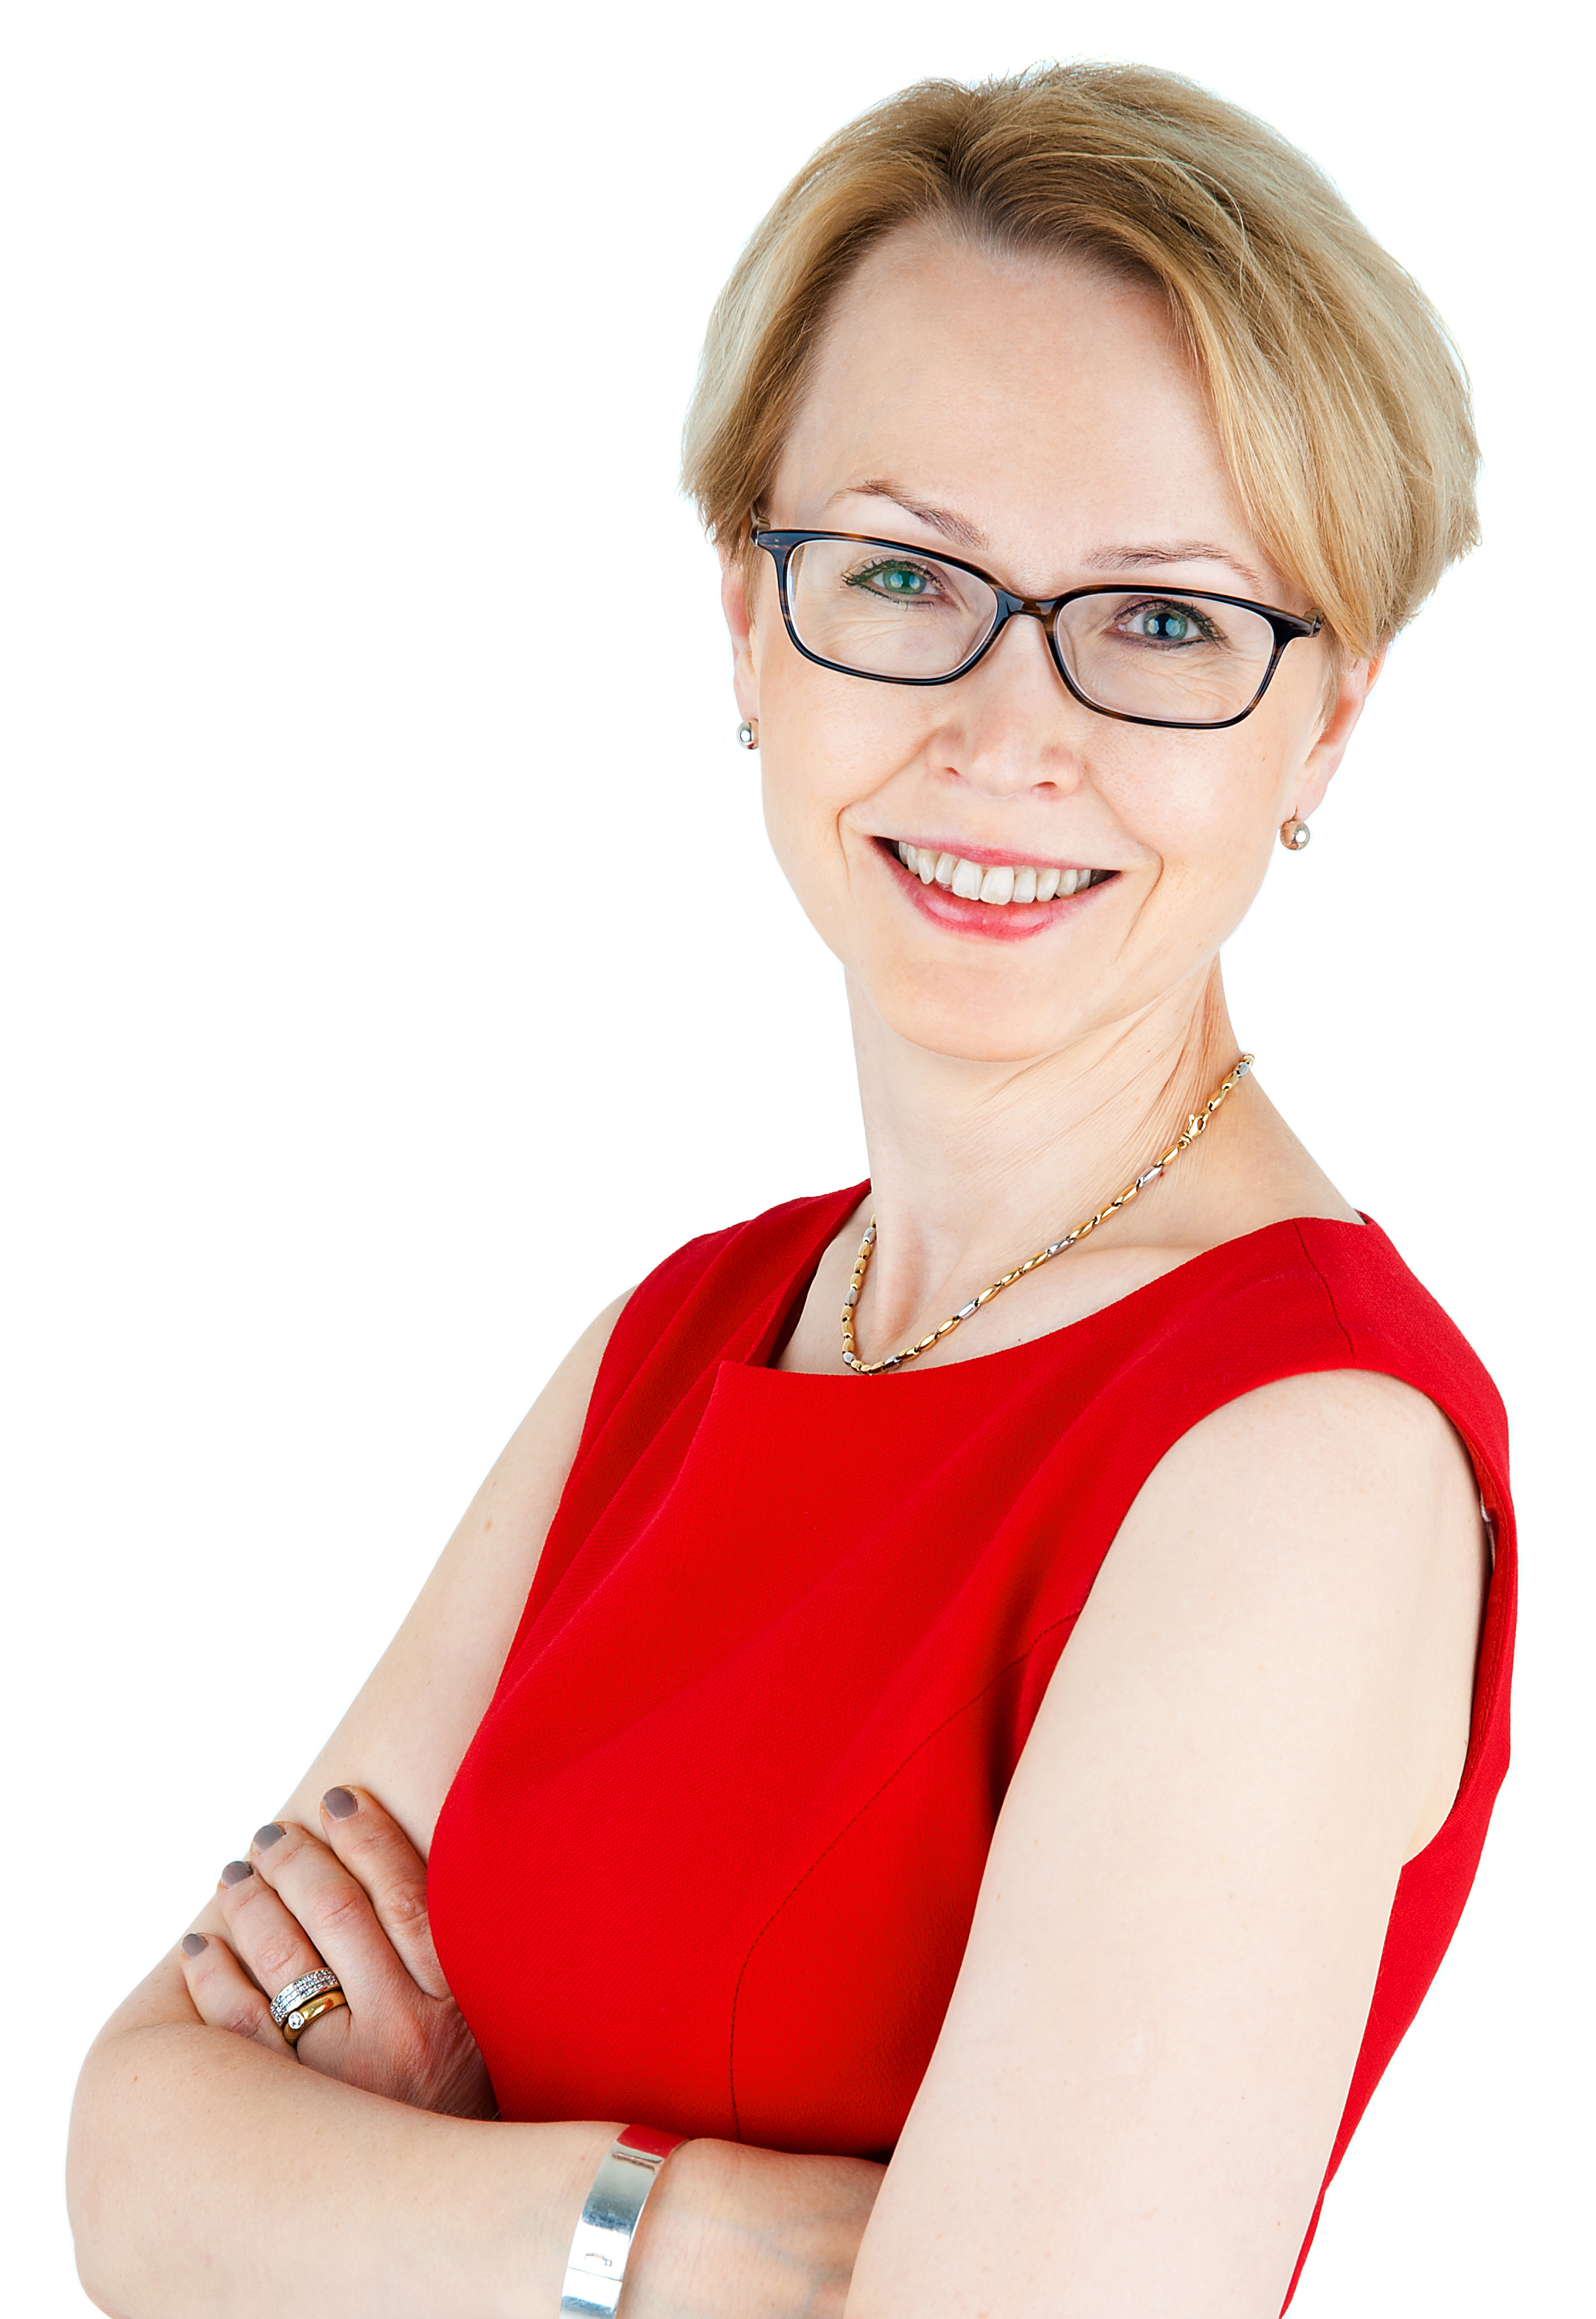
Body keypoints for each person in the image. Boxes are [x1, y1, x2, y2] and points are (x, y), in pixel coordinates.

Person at [67, 60, 1514, 2319]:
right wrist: (712, 2239)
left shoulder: (1297, 1456)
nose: (1009, 736)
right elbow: (137, 2163)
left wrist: (418, 2187)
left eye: (1162, 621)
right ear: (747, 621)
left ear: (1327, 723)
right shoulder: (682, 1342)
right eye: (905, 574)